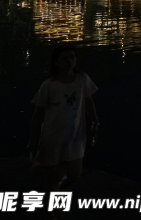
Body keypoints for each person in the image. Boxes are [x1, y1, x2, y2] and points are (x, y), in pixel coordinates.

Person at [28, 45, 99, 192]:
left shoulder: (82, 79)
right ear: (56, 62)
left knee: (75, 175)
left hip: (76, 135)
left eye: (72, 57)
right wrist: (33, 138)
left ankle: (56, 190)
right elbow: (39, 112)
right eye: (65, 58)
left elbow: (88, 100)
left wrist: (95, 120)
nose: (69, 61)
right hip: (52, 135)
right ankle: (56, 211)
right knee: (52, 176)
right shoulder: (49, 85)